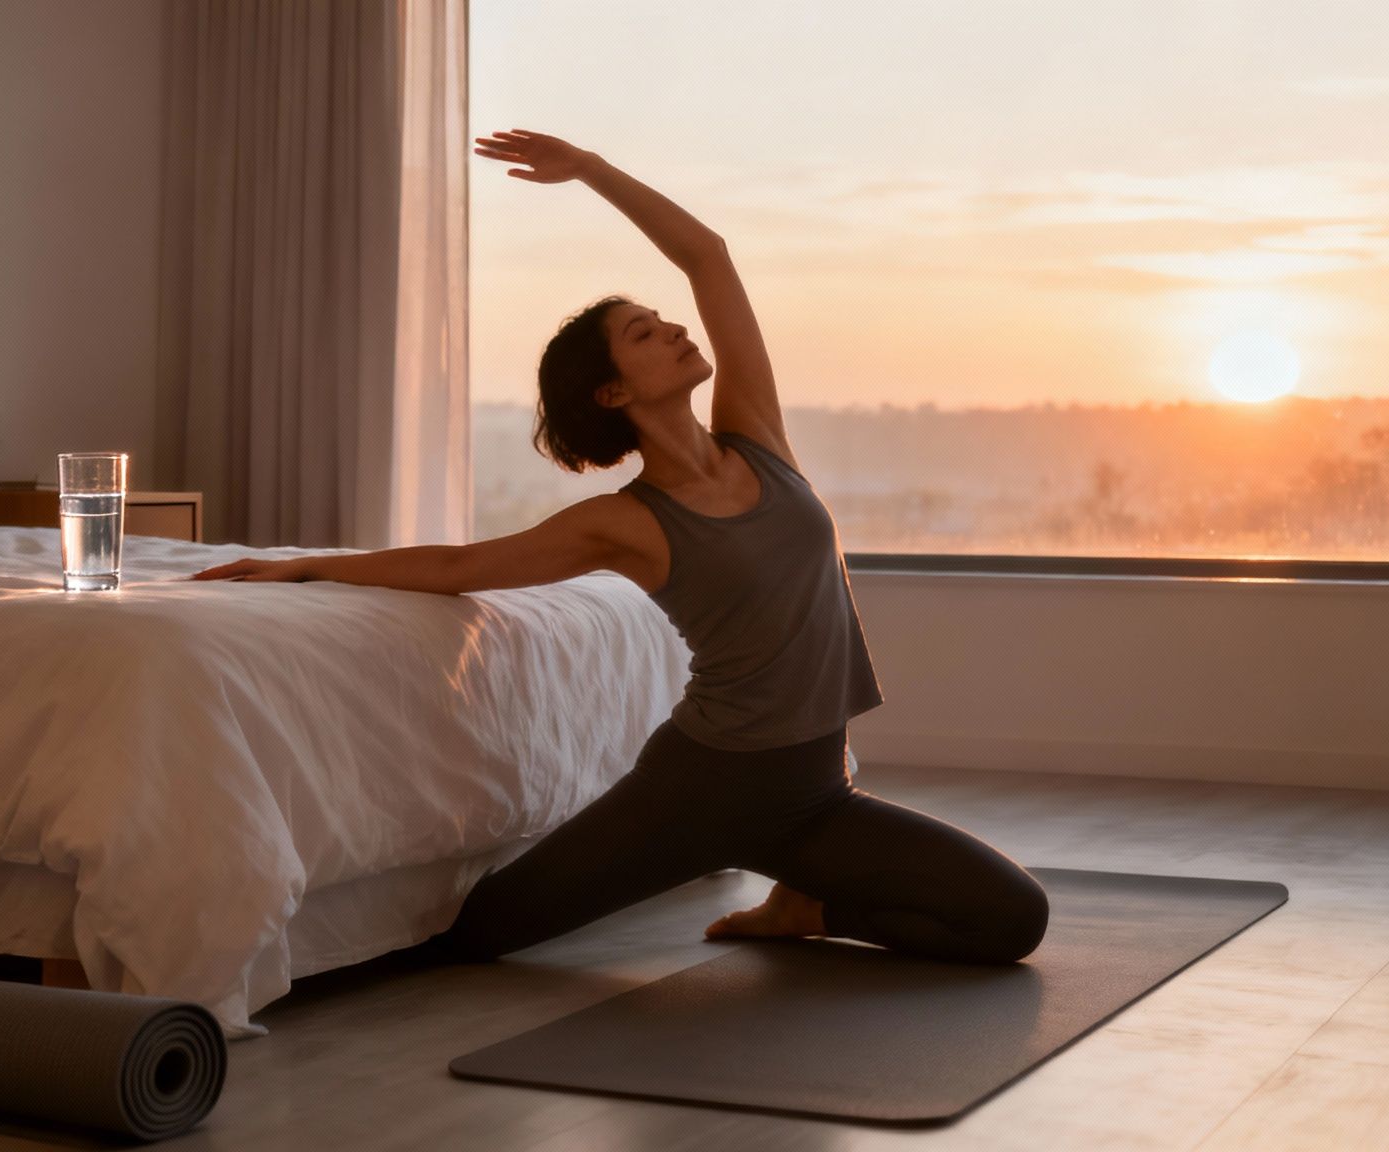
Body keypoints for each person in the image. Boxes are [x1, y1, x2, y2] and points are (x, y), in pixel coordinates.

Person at [191, 129, 1048, 966]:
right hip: (706, 790)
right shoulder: (625, 522)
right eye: (644, 334)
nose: (673, 330)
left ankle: (807, 903)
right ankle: (791, 885)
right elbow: (461, 568)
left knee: (1014, 919)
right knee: (485, 935)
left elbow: (708, 257)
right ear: (612, 391)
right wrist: (306, 565)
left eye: (660, 319)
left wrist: (591, 170)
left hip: (819, 789)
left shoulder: (757, 437)